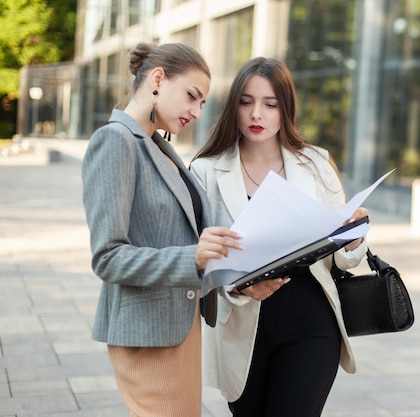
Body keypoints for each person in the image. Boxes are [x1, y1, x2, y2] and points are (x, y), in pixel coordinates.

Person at [190, 57, 369, 416]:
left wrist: (354, 238)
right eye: (246, 102)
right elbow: (196, 259)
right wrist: (237, 287)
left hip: (311, 321)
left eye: (270, 104)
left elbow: (345, 259)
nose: (257, 114)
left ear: (285, 109)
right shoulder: (205, 171)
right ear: (234, 108)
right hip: (241, 329)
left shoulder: (316, 163)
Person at [81, 42, 243, 417]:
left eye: (202, 103)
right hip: (147, 335)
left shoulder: (157, 146)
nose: (197, 111)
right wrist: (193, 256)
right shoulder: (115, 141)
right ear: (157, 79)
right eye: (192, 96)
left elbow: (182, 235)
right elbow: (107, 257)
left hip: (180, 330)